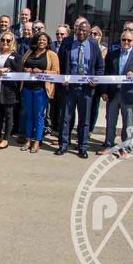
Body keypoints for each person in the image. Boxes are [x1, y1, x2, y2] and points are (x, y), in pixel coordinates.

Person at [56, 17, 105, 158]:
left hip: (86, 89)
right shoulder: (67, 42)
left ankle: (82, 147)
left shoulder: (94, 44)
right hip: (69, 88)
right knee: (65, 118)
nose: (81, 33)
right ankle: (63, 145)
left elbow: (100, 67)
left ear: (89, 32)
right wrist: (61, 79)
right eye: (78, 30)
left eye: (84, 31)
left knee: (84, 120)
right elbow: (59, 63)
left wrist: (95, 81)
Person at [96, 29, 133, 156]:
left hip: (129, 94)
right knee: (110, 121)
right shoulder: (112, 54)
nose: (126, 42)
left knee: (127, 123)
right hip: (112, 93)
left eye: (129, 40)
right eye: (124, 40)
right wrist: (103, 91)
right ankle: (108, 144)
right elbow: (106, 73)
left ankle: (125, 147)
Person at [20, 32, 59, 153]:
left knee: (39, 116)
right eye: (39, 40)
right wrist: (26, 69)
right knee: (28, 115)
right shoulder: (29, 52)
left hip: (41, 89)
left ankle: (37, 141)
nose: (41, 42)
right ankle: (28, 140)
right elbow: (21, 66)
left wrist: (42, 71)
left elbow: (56, 72)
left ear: (47, 42)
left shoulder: (51, 54)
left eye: (44, 40)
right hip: (27, 88)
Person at [0, 32, 20, 150]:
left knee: (8, 115)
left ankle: (6, 139)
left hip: (8, 90)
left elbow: (19, 70)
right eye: (3, 40)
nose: (5, 42)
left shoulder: (15, 56)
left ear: (12, 42)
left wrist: (8, 69)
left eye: (8, 40)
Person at [88, 26, 108, 133]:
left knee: (94, 108)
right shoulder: (86, 46)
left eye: (95, 34)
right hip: (86, 81)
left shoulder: (104, 50)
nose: (92, 36)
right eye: (91, 33)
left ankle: (90, 129)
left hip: (98, 83)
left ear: (100, 36)